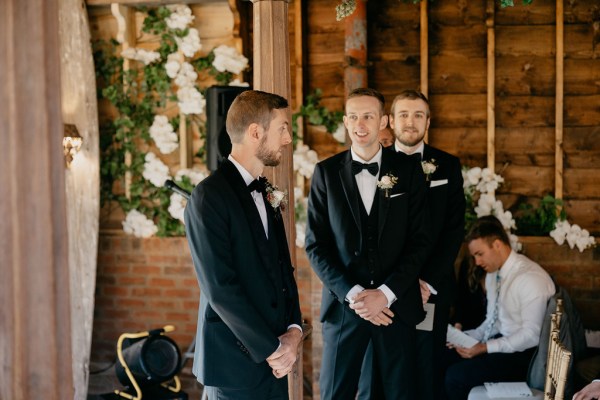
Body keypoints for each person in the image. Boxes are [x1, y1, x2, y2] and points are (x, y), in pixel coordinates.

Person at [305, 87, 431, 399]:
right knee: (336, 393)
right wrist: (359, 297)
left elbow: (420, 241)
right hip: (345, 308)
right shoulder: (325, 173)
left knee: (399, 393)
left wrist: (385, 295)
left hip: (395, 309)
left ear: (383, 121)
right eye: (354, 117)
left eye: (368, 116)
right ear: (345, 122)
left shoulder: (409, 171)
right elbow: (315, 246)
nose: (361, 124)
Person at [184, 90, 303, 399]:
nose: (288, 139)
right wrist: (274, 348)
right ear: (255, 132)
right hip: (233, 367)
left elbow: (282, 269)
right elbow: (220, 289)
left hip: (275, 364)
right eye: (282, 128)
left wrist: (294, 331)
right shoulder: (208, 197)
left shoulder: (266, 191)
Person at [444, 215, 556, 400]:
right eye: (474, 256)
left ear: (497, 245)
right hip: (500, 343)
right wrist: (465, 338)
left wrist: (484, 348)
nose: (477, 262)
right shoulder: (493, 274)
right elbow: (492, 322)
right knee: (441, 357)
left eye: (479, 254)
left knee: (455, 377)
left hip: (522, 355)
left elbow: (531, 335)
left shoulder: (530, 278)